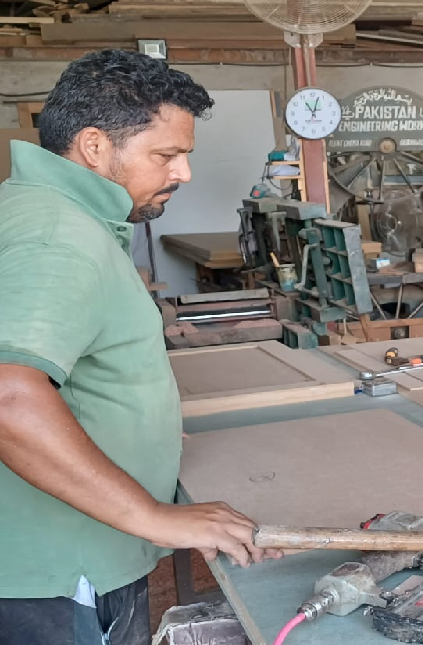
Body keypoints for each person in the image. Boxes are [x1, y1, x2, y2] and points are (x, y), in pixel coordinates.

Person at [0, 49, 281, 645]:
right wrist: (154, 517)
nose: (184, 173)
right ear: (95, 146)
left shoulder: (37, 209)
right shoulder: (58, 237)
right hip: (60, 573)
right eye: (166, 155)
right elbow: (9, 395)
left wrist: (136, 419)